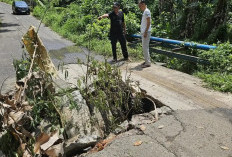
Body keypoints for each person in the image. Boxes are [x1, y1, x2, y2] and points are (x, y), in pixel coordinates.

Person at [138, 0, 151, 68]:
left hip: (146, 32)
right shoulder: (145, 11)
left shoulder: (147, 11)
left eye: (140, 6)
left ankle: (148, 63)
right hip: (145, 32)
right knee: (145, 47)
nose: (139, 7)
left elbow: (149, 22)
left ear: (143, 4)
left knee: (145, 47)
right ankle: (147, 61)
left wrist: (145, 32)